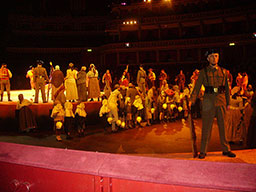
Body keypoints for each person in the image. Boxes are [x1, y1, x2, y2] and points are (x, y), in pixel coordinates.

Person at [190, 49, 236, 159]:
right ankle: (203, 151)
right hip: (208, 102)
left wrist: (228, 102)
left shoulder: (224, 72)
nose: (214, 58)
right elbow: (196, 88)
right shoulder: (203, 72)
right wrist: (191, 101)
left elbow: (226, 88)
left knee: (223, 127)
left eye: (216, 56)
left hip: (221, 101)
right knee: (206, 127)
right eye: (212, 56)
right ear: (207, 58)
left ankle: (226, 149)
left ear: (218, 57)